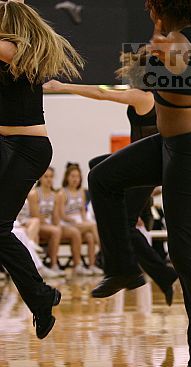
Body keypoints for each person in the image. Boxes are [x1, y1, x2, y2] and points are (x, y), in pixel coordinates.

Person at [88, 0, 191, 365]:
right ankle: (122, 268)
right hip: (169, 144)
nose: (149, 11)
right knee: (102, 177)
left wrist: (167, 55)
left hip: (190, 151)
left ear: (164, 8)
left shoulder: (179, 44)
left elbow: (179, 62)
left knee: (186, 248)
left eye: (153, 6)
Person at [44, 49, 178, 305]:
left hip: (146, 168)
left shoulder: (143, 97)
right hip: (146, 164)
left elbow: (101, 94)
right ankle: (161, 273)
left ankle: (135, 273)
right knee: (98, 168)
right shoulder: (159, 95)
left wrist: (63, 86)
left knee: (122, 221)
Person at [0, 0, 82, 339]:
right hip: (9, 146)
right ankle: (41, 298)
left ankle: (40, 296)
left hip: (27, 149)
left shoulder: (14, 49)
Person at [57, 163, 101, 275]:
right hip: (66, 223)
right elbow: (61, 215)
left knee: (90, 236)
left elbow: (82, 211)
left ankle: (92, 265)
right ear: (67, 177)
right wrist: (73, 220)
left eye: (77, 176)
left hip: (79, 224)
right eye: (72, 176)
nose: (75, 179)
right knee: (92, 225)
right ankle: (105, 251)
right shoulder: (62, 193)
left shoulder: (81, 192)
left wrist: (83, 220)